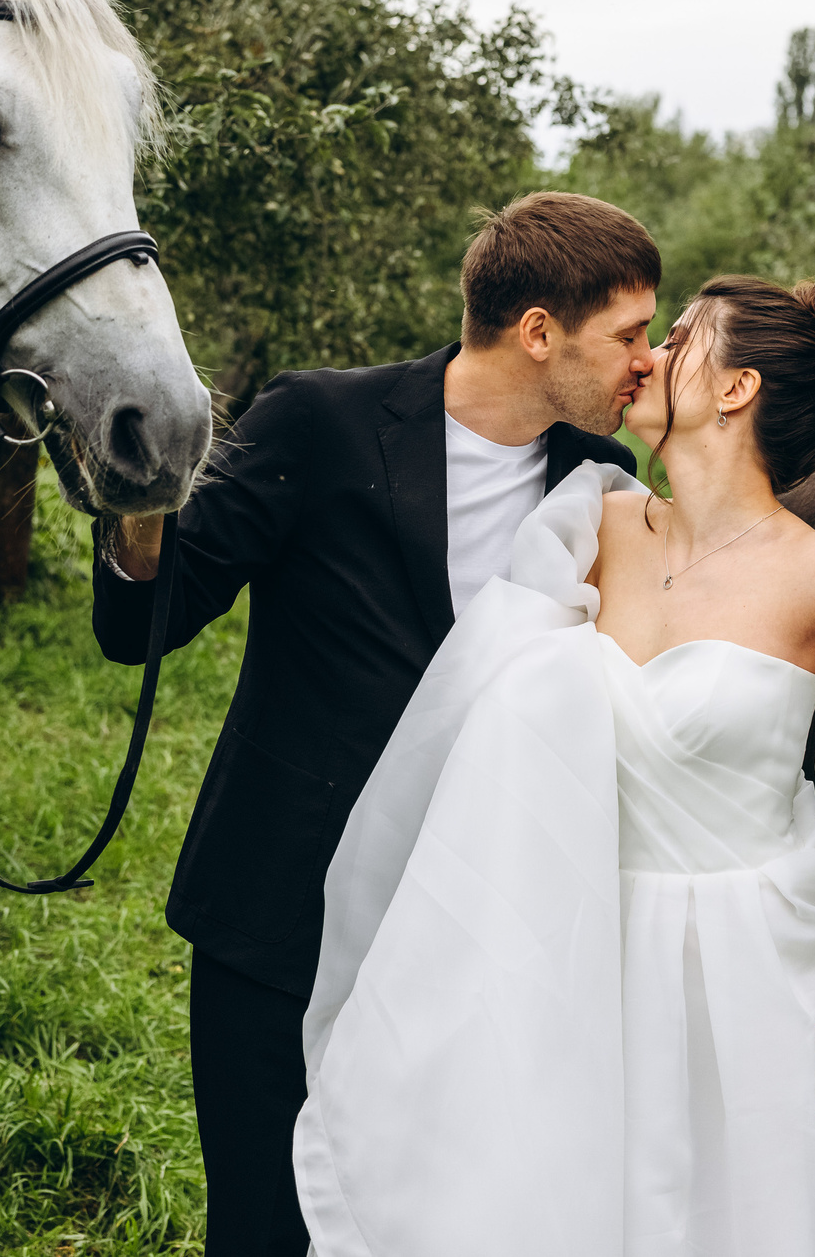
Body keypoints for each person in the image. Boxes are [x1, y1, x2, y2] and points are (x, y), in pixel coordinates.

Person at [292, 276, 815, 1256]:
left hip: (764, 955)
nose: (645, 354)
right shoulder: (586, 529)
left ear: (734, 389)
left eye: (678, 337)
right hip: (584, 936)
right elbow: (474, 704)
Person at [93, 191, 661, 1257]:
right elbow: (147, 618)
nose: (649, 359)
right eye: (630, 334)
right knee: (262, 1227)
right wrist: (136, 499)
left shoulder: (604, 486)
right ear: (538, 331)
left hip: (474, 938)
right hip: (279, 918)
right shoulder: (318, 421)